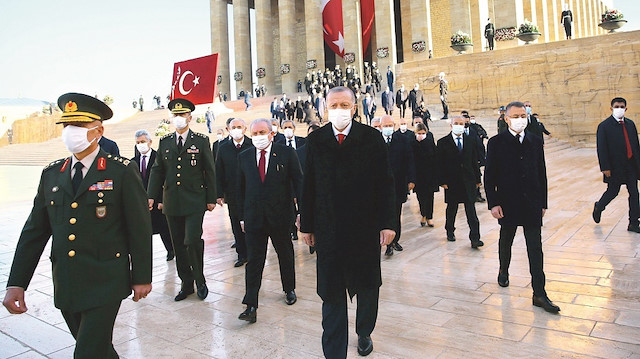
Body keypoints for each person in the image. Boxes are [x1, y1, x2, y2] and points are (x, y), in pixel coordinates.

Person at [2, 92, 152, 357]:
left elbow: (139, 228)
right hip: (68, 283)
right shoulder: (52, 174)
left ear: (98, 130)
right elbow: (34, 232)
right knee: (99, 350)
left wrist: (141, 276)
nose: (71, 132)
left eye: (79, 126)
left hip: (106, 280)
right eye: (67, 126)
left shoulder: (121, 171)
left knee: (85, 353)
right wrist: (17, 282)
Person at [300, 86, 396, 358]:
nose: (339, 110)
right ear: (325, 108)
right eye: (334, 105)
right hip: (329, 230)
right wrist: (307, 225)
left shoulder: (371, 138)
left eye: (344, 105)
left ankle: (364, 331)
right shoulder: (316, 140)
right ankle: (334, 351)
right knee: (331, 294)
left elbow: (385, 184)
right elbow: (309, 186)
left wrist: (388, 224)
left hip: (364, 230)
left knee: (367, 288)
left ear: (354, 108)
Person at [485, 101, 560, 314]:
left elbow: (541, 172)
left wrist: (543, 202)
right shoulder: (496, 143)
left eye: (522, 115)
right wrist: (493, 203)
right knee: (506, 240)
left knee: (535, 248)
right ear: (506, 118)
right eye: (515, 116)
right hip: (507, 202)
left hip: (531, 202)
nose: (520, 119)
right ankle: (503, 270)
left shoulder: (535, 141)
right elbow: (489, 175)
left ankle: (539, 293)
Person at [147, 98, 217, 302]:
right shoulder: (165, 141)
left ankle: (200, 280)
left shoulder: (201, 140)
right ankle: (186, 284)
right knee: (178, 243)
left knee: (192, 240)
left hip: (195, 200)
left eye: (182, 115)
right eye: (175, 115)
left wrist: (211, 197)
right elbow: (157, 170)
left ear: (190, 117)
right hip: (172, 201)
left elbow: (209, 171)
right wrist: (151, 196)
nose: (179, 118)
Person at [237, 118, 303, 323]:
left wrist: (302, 212)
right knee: (254, 260)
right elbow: (240, 190)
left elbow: (299, 183)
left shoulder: (286, 153)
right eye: (254, 133)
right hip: (254, 218)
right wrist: (241, 217)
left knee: (284, 253)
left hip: (281, 216)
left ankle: (289, 288)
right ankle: (251, 304)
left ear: (272, 134)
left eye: (262, 132)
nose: (258, 137)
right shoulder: (245, 157)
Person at [593, 97, 640, 233]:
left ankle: (633, 222)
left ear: (626, 108)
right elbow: (601, 148)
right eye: (616, 106)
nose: (619, 109)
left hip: (630, 165)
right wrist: (605, 167)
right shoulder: (604, 126)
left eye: (622, 107)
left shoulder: (630, 124)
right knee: (613, 191)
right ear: (611, 108)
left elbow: (635, 145)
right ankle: (599, 206)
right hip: (614, 167)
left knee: (634, 193)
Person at [437, 116, 483, 248]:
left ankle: (475, 238)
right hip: (452, 181)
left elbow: (474, 160)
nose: (459, 125)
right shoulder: (443, 142)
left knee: (471, 211)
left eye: (461, 124)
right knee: (452, 208)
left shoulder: (470, 140)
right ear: (451, 125)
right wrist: (442, 180)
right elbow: (439, 164)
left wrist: (477, 179)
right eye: (456, 123)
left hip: (468, 180)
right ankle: (450, 231)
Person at [132, 129, 174, 261]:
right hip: (142, 202)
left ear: (150, 142)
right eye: (138, 142)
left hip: (158, 200)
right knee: (144, 230)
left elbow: (165, 179)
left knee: (164, 227)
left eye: (143, 141)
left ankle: (171, 250)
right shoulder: (133, 161)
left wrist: (162, 200)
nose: (141, 144)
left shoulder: (159, 157)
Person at [216, 119, 252, 267]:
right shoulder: (223, 148)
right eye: (233, 127)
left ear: (244, 129)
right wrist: (219, 193)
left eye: (239, 127)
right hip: (233, 193)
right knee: (236, 224)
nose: (236, 129)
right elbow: (219, 171)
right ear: (228, 129)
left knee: (251, 224)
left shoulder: (252, 144)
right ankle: (242, 254)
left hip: (251, 192)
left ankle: (253, 252)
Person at [381, 115, 416, 256]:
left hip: (398, 184)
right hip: (381, 187)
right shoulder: (375, 141)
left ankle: (394, 241)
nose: (388, 128)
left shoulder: (402, 140)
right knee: (382, 214)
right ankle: (385, 242)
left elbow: (410, 160)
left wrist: (411, 179)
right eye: (385, 125)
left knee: (396, 214)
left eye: (390, 125)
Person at [413, 123, 439, 227]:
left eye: (423, 133)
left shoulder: (429, 142)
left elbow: (435, 157)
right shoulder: (412, 143)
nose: (421, 135)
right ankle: (423, 214)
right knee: (420, 196)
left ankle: (429, 217)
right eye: (419, 133)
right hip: (418, 175)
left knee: (429, 196)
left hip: (429, 175)